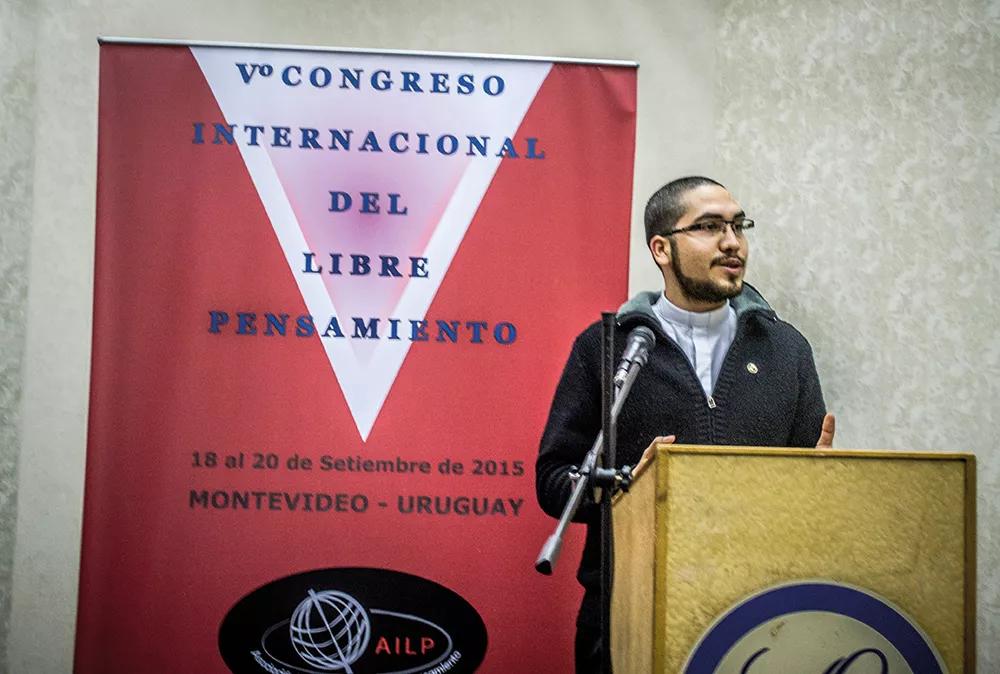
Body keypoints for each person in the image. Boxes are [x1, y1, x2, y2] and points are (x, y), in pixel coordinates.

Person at [535, 176, 835, 673]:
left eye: (739, 226)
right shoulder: (608, 348)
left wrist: (822, 483)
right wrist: (627, 483)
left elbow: (805, 496)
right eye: (710, 227)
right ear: (662, 249)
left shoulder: (786, 350)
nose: (732, 241)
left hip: (758, 620)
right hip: (628, 615)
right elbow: (553, 483)